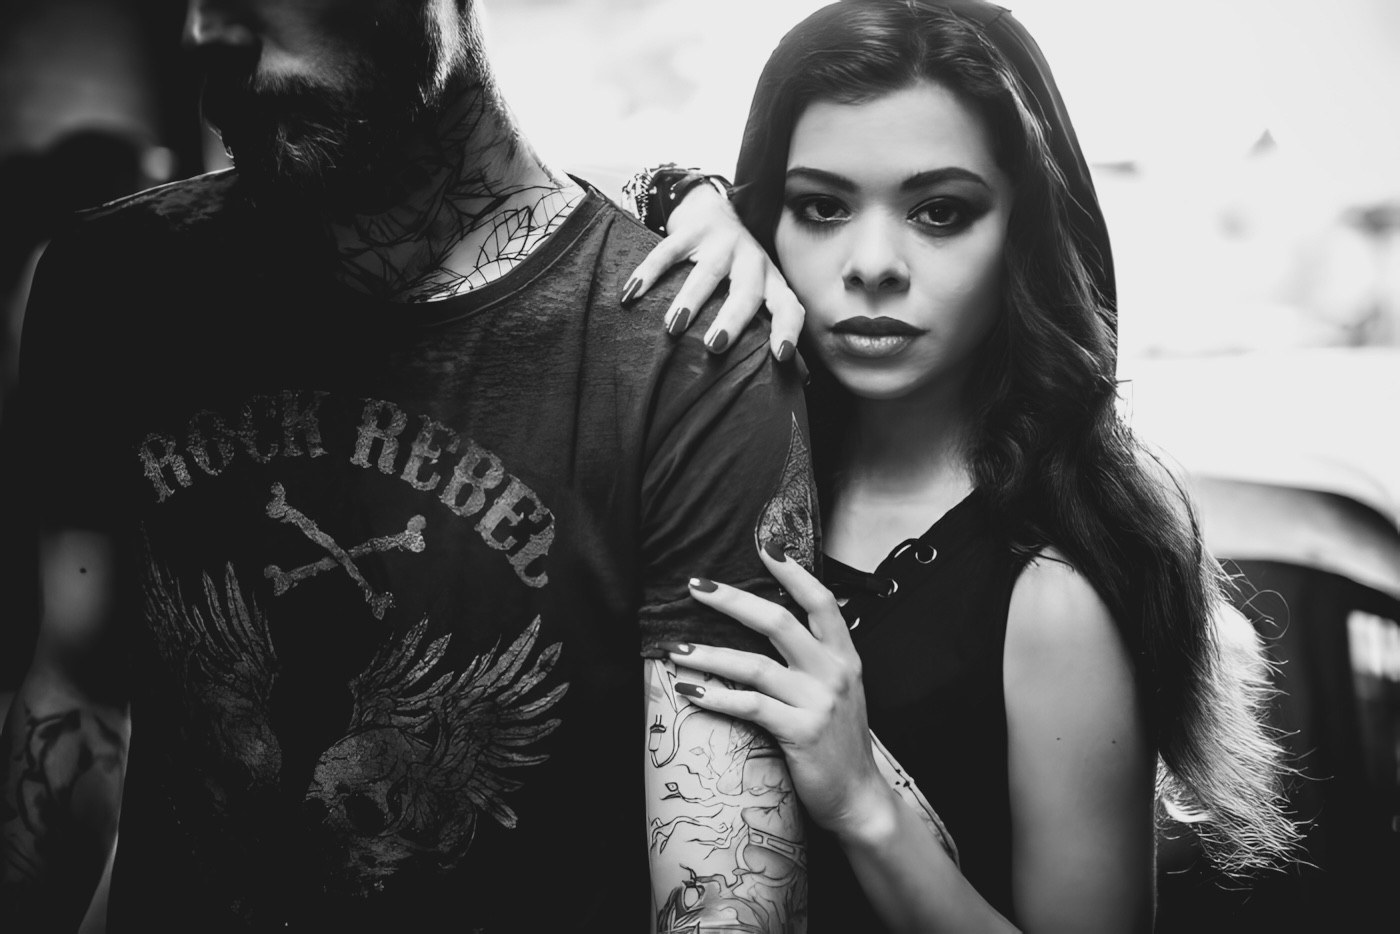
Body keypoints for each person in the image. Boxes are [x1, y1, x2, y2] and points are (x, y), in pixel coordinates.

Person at [0, 2, 816, 931]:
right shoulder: (109, 282)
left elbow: (723, 886)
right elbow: (76, 694)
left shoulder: (688, 351)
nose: (203, 33)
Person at [623, 1, 1302, 931]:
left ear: (1021, 233)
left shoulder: (1054, 593)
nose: (871, 264)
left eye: (939, 212)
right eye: (820, 207)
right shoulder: (719, 461)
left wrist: (865, 799)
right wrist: (689, 199)